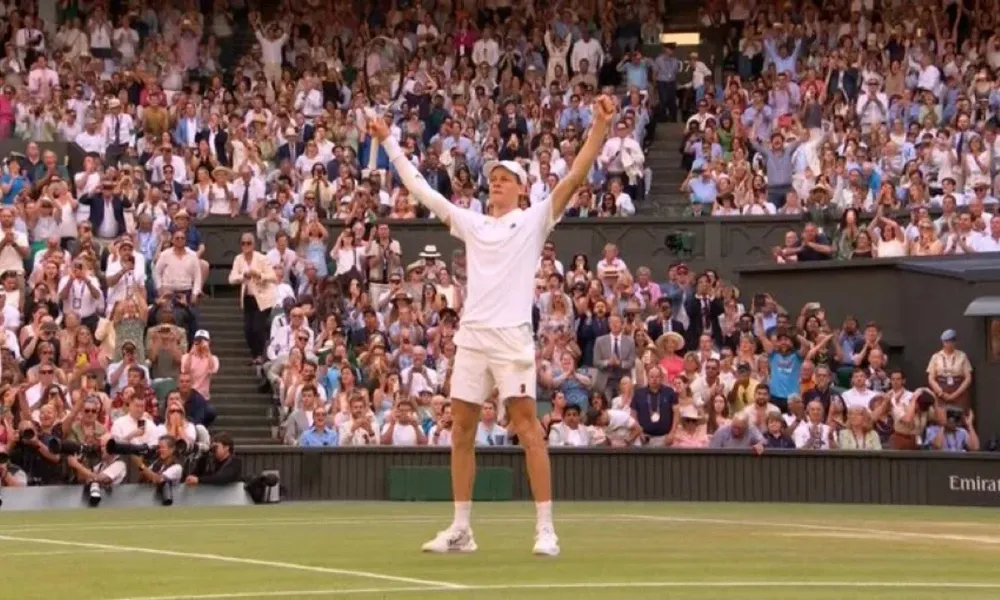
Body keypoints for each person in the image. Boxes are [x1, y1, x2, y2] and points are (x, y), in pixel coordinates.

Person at [368, 95, 616, 557]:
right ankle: (462, 528)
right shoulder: (473, 223)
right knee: (461, 430)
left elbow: (575, 177)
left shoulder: (534, 219)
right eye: (493, 178)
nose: (496, 183)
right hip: (472, 339)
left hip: (512, 339)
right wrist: (388, 142)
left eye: (505, 179)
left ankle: (546, 529)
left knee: (528, 428)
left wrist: (600, 127)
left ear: (522, 190)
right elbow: (422, 190)